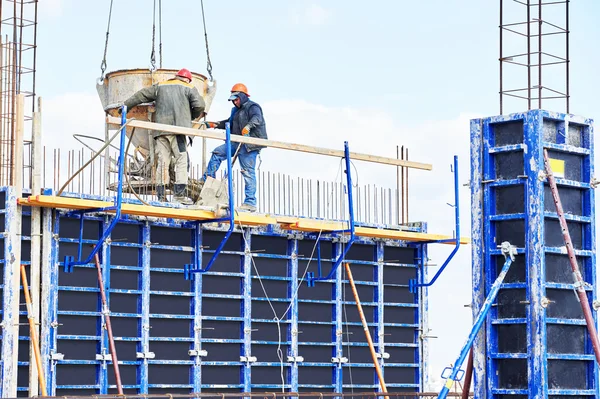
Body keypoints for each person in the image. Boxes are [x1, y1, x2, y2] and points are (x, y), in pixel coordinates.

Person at [120, 68, 205, 204]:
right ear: (188, 79)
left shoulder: (161, 86)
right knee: (181, 160)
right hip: (178, 130)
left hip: (160, 131)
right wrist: (190, 117)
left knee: (163, 162)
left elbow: (141, 95)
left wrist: (125, 106)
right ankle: (179, 195)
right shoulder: (189, 87)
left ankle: (161, 196)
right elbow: (200, 105)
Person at [202, 83, 267, 212]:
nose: (235, 102)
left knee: (247, 172)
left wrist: (248, 127)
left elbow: (257, 118)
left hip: (249, 145)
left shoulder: (253, 107)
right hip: (236, 142)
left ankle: (250, 202)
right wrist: (214, 124)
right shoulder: (235, 110)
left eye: (236, 99)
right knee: (217, 153)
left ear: (243, 97)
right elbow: (229, 123)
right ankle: (206, 181)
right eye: (233, 100)